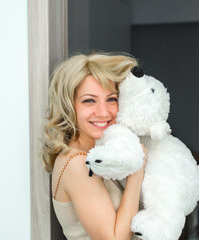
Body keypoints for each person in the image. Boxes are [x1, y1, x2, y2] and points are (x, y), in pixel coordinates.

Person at [43, 52, 147, 240]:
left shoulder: (99, 154)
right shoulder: (78, 162)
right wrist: (137, 168)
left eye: (111, 99)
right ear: (69, 107)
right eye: (89, 100)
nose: (103, 111)